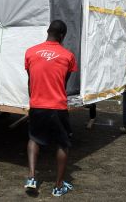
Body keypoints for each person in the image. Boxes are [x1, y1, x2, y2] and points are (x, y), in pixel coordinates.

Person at [24, 20, 77, 197]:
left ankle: (31, 177)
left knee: (34, 138)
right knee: (62, 143)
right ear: (62, 36)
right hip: (57, 105)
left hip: (37, 104)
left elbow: (30, 79)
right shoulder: (68, 56)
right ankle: (58, 186)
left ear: (48, 31)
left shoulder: (30, 52)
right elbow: (64, 82)